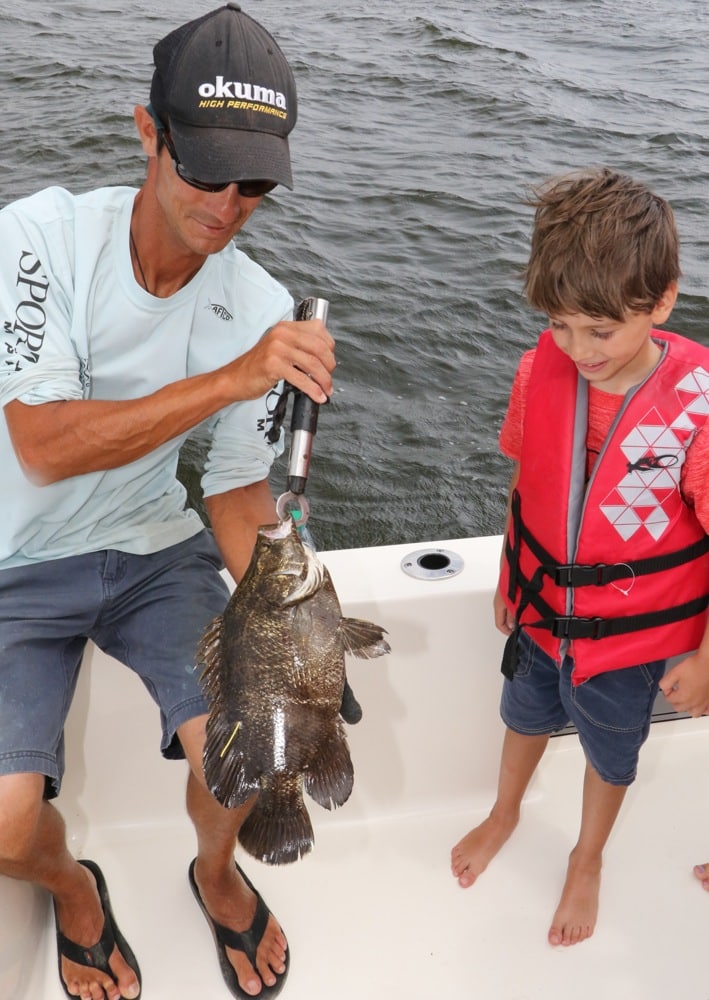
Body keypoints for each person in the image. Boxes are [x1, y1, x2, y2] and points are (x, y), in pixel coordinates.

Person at [0, 5, 336, 999]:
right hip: (16, 561)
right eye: (205, 168)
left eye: (255, 181)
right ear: (147, 133)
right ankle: (73, 888)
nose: (229, 204)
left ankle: (216, 872)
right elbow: (44, 447)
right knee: (7, 823)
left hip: (153, 551)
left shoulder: (259, 303)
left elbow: (233, 486)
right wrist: (235, 378)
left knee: (251, 746)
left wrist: (294, 600)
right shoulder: (37, 242)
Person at [450, 168, 709, 946]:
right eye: (560, 326)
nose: (578, 349)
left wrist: (701, 653)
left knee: (610, 749)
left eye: (600, 330)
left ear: (661, 300)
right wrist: (508, 572)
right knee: (521, 715)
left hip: (629, 646)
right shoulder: (541, 370)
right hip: (536, 612)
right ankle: (504, 812)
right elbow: (526, 478)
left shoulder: (696, 411)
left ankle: (587, 854)